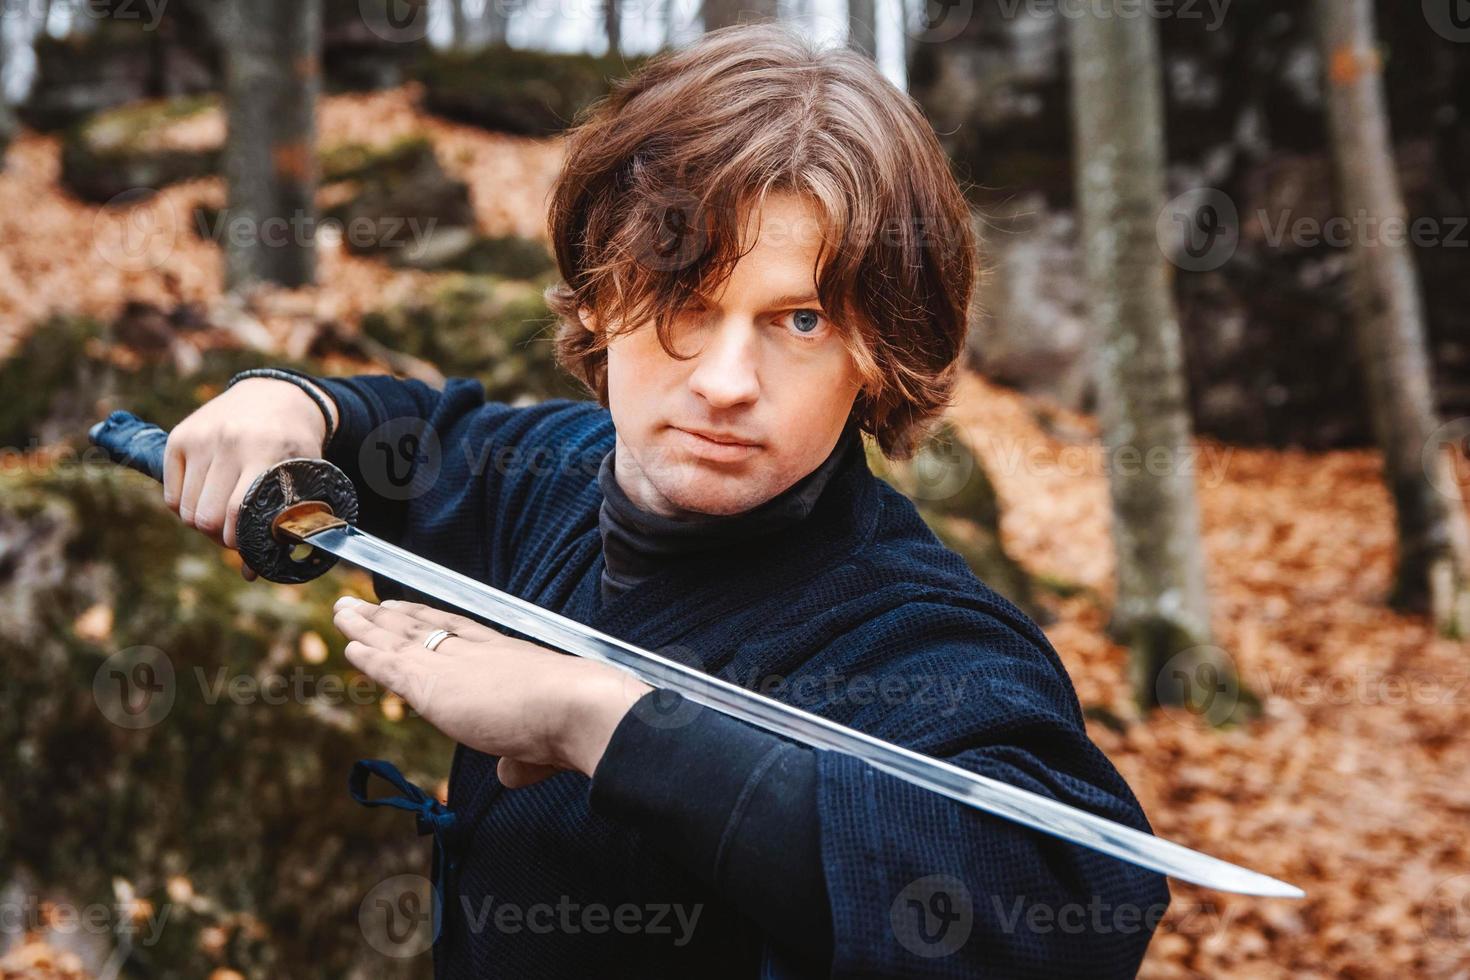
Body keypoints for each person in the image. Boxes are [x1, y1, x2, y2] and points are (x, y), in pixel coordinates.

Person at [161, 23, 1171, 978]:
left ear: (880, 353)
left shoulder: (924, 640)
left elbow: (1072, 905)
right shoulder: (552, 471)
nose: (728, 380)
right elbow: (421, 437)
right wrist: (290, 401)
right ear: (602, 297)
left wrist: (602, 721)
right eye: (688, 298)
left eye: (802, 317)